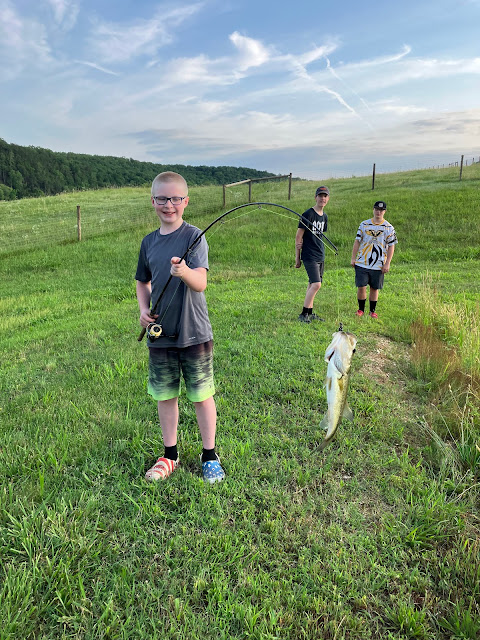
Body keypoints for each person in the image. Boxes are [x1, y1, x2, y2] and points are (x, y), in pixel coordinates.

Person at [135, 171, 225, 483]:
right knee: (165, 395)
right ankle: (170, 455)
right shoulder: (148, 242)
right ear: (153, 201)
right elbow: (142, 281)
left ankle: (209, 455)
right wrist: (143, 310)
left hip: (194, 332)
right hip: (160, 335)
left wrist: (184, 271)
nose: (169, 205)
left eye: (175, 198)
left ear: (186, 201)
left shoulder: (194, 237)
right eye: (162, 198)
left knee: (201, 395)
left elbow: (201, 282)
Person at [350, 200, 397, 319]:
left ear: (384, 211)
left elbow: (391, 246)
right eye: (376, 209)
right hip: (362, 261)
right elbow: (357, 241)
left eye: (381, 210)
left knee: (374, 288)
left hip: (379, 263)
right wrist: (353, 258)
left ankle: (372, 311)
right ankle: (361, 309)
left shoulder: (389, 227)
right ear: (373, 210)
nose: (378, 212)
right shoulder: (364, 225)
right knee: (361, 286)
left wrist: (387, 263)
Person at [295, 185, 329, 322]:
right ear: (315, 197)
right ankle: (303, 314)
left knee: (311, 283)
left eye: (325, 196)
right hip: (309, 255)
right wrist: (297, 258)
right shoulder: (308, 214)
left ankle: (309, 312)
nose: (322, 198)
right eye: (320, 196)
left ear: (328, 199)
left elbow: (319, 236)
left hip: (320, 254)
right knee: (316, 284)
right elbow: (298, 237)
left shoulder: (324, 216)